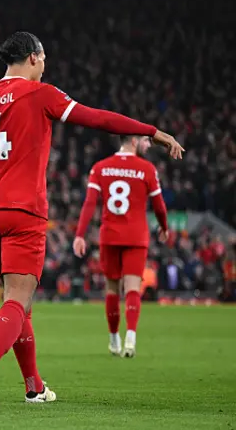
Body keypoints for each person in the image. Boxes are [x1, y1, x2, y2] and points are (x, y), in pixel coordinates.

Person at [0, 31, 183, 407]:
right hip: (24, 211)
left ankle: (34, 386)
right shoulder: (41, 93)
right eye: (44, 58)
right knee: (18, 298)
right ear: (33, 57)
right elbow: (97, 118)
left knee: (19, 304)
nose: (45, 64)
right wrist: (151, 131)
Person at [73, 135, 169, 358]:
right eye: (146, 141)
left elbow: (89, 203)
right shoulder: (146, 169)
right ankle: (131, 339)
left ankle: (114, 339)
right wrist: (164, 227)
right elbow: (159, 206)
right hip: (136, 236)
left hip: (110, 236)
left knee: (112, 289)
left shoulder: (100, 167)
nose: (148, 145)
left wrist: (80, 234)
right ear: (133, 141)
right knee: (133, 287)